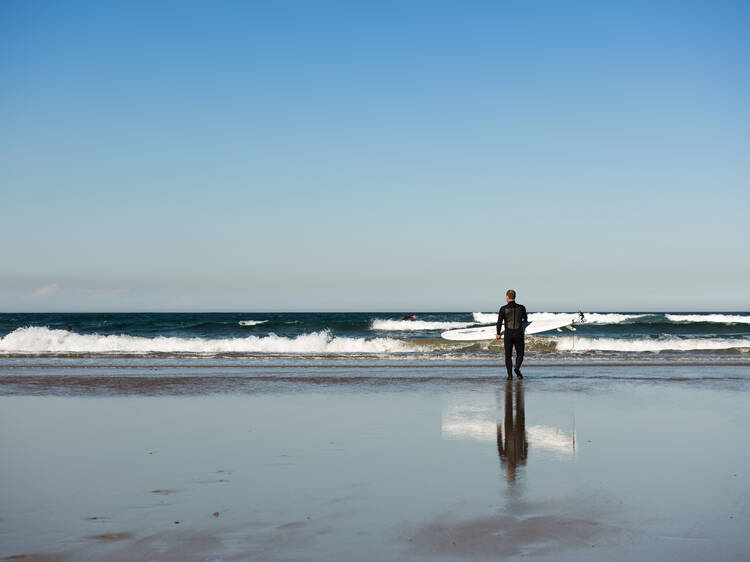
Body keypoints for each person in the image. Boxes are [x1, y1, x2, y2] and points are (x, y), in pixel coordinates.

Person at [495, 289, 528, 380]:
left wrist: (498, 333)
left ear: (507, 297)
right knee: (520, 354)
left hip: (508, 334)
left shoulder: (503, 309)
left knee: (508, 355)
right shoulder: (522, 307)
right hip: (519, 333)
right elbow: (525, 319)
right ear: (515, 297)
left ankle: (509, 376)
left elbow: (499, 322)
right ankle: (517, 369)